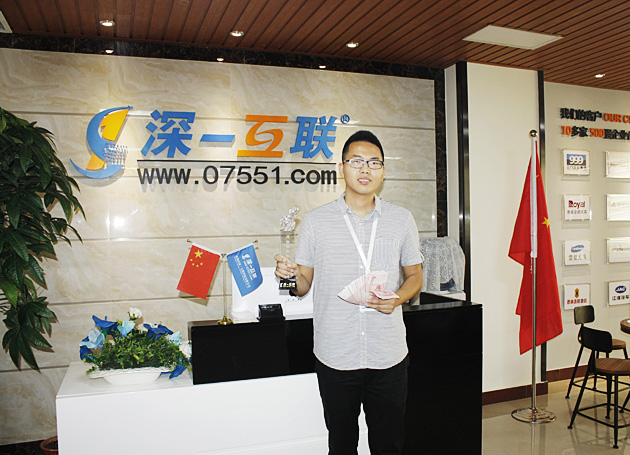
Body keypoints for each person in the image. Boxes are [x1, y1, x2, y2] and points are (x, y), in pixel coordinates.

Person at [274, 130, 424, 455]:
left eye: (374, 162)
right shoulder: (315, 222)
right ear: (341, 168)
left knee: (389, 445)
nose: (365, 169)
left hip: (388, 355)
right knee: (341, 445)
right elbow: (302, 286)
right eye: (356, 161)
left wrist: (397, 298)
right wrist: (288, 277)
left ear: (383, 171)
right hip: (336, 355)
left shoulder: (401, 219)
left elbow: (415, 276)